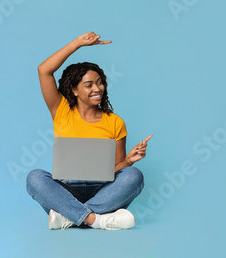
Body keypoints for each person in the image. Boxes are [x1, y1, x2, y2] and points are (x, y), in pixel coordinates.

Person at [26, 32, 151, 230]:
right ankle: (96, 220)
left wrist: (127, 161)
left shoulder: (115, 122)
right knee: (35, 178)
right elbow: (44, 71)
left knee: (133, 175)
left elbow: (117, 168)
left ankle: (68, 217)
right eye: (89, 84)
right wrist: (77, 43)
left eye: (100, 82)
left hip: (102, 191)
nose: (98, 88)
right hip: (65, 190)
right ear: (74, 90)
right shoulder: (61, 110)